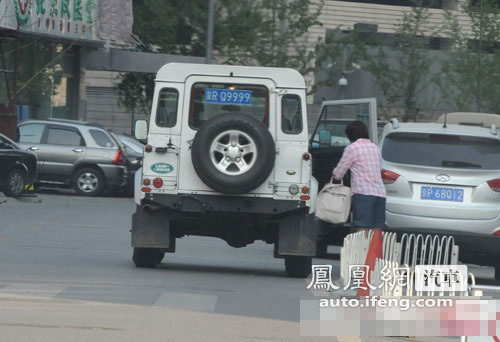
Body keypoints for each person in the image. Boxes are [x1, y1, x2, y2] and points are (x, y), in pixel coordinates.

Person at [332, 121, 386, 235]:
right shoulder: (375, 148)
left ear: (350, 135)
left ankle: (362, 252)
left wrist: (335, 179)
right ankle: (374, 252)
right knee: (376, 231)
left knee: (362, 229)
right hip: (380, 194)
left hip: (363, 193)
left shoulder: (352, 148)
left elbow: (339, 173)